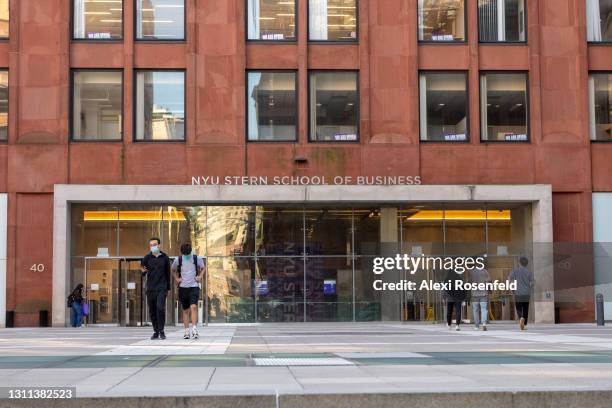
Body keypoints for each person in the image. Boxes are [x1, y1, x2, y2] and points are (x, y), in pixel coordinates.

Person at [172, 243, 206, 339]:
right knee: (185, 310)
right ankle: (187, 331)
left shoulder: (196, 258)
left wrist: (200, 276)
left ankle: (194, 329)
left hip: (193, 286)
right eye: (185, 254)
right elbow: (173, 270)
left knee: (194, 307)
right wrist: (177, 278)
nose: (186, 256)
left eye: (187, 254)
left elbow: (203, 268)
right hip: (183, 288)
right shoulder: (178, 260)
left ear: (190, 251)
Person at [141, 237, 171, 340]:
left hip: (162, 287)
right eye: (151, 245)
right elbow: (142, 269)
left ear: (159, 245)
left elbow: (168, 273)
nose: (153, 246)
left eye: (155, 244)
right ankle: (156, 331)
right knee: (153, 310)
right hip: (151, 288)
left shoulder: (165, 258)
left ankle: (162, 331)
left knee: (160, 308)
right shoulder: (147, 258)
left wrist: (168, 288)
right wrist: (143, 271)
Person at [508, 256, 534, 331]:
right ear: (527, 264)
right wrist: (529, 288)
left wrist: (512, 288)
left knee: (518, 307)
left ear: (519, 263)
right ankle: (524, 324)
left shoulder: (515, 271)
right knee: (526, 308)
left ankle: (521, 317)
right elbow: (532, 283)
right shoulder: (529, 272)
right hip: (526, 293)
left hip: (517, 293)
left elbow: (509, 279)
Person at [470, 260, 491, 331]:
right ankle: (484, 324)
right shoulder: (485, 271)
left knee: (475, 310)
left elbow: (469, 282)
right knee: (483, 309)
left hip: (475, 294)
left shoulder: (472, 272)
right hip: (483, 294)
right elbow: (489, 281)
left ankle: (476, 326)